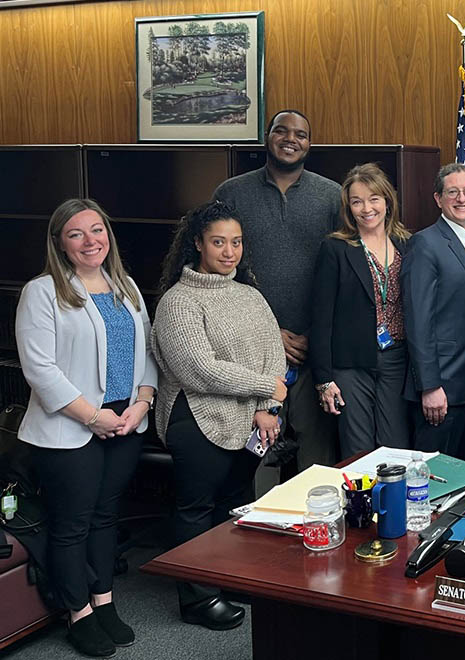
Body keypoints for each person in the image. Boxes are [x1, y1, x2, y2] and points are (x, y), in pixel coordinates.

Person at [15, 199, 157, 657]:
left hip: (125, 421)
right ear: (60, 243)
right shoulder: (42, 292)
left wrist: (142, 402)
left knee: (104, 517)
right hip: (69, 427)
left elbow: (148, 354)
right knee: (71, 524)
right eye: (76, 234)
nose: (90, 240)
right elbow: (39, 369)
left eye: (97, 230)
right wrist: (91, 416)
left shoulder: (127, 287)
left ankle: (104, 601)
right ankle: (77, 612)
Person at [150, 201, 287, 632]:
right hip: (196, 418)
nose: (229, 252)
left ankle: (226, 578)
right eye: (219, 242)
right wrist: (265, 390)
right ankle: (197, 597)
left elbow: (275, 355)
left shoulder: (250, 295)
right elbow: (200, 369)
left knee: (235, 504)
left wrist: (267, 408)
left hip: (250, 421)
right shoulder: (179, 301)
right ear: (198, 244)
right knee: (196, 508)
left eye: (236, 242)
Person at [212, 109, 340, 476]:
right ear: (266, 138)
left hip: (314, 348)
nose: (290, 139)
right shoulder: (232, 193)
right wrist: (271, 335)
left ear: (309, 144)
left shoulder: (331, 196)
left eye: (300, 134)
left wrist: (315, 337)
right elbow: (218, 275)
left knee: (317, 461)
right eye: (281, 131)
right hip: (250, 351)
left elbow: (344, 276)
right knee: (257, 462)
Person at [310, 164, 411, 457]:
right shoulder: (336, 248)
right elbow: (321, 320)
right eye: (357, 201)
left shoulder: (406, 244)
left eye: (374, 199)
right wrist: (324, 380)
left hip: (397, 361)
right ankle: (361, 505)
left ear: (387, 201)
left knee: (396, 449)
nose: (367, 208)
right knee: (358, 449)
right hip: (351, 366)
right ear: (348, 207)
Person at [403, 163, 465, 463]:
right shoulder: (425, 244)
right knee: (434, 481)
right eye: (452, 192)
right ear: (438, 199)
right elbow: (418, 320)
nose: (462, 198)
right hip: (442, 388)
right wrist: (430, 385)